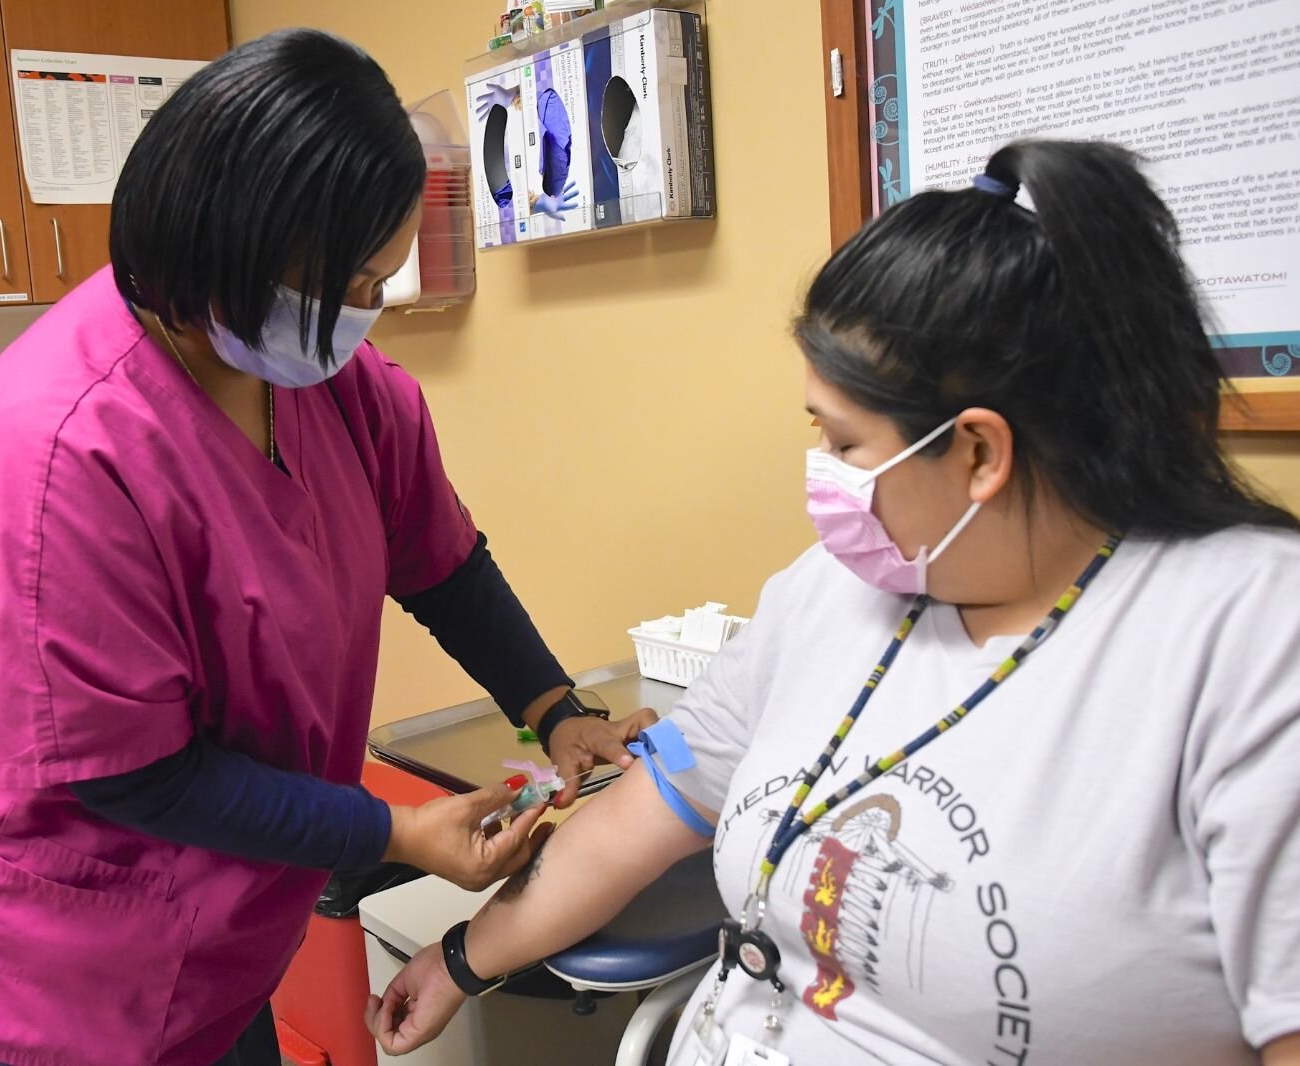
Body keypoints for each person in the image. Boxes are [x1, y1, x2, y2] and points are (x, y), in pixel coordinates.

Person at [367, 141, 1300, 1065]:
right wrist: (458, 962)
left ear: (978, 452)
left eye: (846, 444)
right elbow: (661, 789)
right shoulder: (827, 595)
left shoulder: (1248, 635)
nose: (822, 479)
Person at [0, 29, 652, 1066]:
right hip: (75, 921)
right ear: (226, 248)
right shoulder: (58, 449)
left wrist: (554, 708)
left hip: (225, 897)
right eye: (347, 285)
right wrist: (394, 834)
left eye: (379, 281)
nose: (366, 315)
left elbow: (442, 563)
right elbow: (132, 778)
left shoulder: (343, 391)